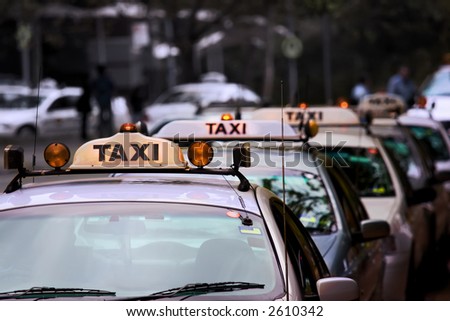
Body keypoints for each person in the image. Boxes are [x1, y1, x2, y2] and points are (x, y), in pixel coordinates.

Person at [91, 64, 115, 137]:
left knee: (102, 118)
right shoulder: (106, 79)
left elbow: (93, 89)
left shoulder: (97, 80)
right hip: (106, 99)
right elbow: (113, 87)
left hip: (101, 100)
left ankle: (102, 133)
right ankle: (109, 132)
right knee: (108, 118)